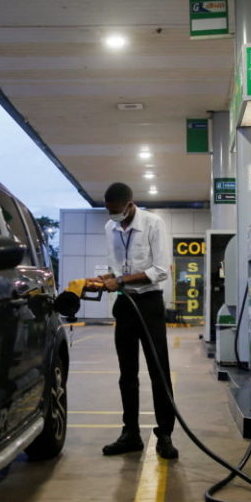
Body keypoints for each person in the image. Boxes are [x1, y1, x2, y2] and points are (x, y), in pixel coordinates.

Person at [86, 182, 178, 460]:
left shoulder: (153, 224)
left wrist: (121, 280)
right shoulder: (110, 228)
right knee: (127, 374)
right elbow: (115, 267)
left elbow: (160, 270)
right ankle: (131, 434)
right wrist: (105, 279)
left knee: (158, 371)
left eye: (115, 211)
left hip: (149, 303)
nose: (112, 216)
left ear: (130, 204)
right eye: (108, 211)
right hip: (124, 304)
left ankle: (165, 435)